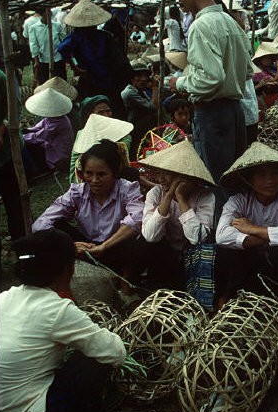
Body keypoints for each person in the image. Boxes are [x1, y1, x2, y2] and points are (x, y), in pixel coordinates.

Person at [0, 229, 127, 412]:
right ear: (68, 268)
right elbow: (116, 352)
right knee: (91, 361)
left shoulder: (4, 297)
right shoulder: (57, 309)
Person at [169, 0, 250, 216]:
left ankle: (221, 241)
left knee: (215, 181)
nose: (180, 2)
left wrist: (180, 82)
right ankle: (236, 234)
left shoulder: (201, 25)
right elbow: (247, 70)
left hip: (213, 113)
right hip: (235, 110)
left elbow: (210, 78)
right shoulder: (230, 22)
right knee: (234, 178)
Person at [32, 139, 145, 300]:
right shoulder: (78, 192)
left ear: (114, 173)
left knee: (144, 238)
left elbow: (137, 218)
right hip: (86, 246)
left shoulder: (126, 189)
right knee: (54, 229)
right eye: (89, 173)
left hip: (116, 246)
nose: (94, 180)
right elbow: (40, 224)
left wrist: (105, 246)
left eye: (101, 174)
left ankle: (125, 285)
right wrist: (70, 245)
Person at [215, 142, 278, 317]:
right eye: (262, 175)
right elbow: (222, 236)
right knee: (226, 252)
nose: (270, 181)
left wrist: (252, 228)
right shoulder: (238, 202)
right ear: (249, 179)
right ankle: (223, 306)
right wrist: (267, 237)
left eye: (275, 174)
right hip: (253, 268)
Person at [139, 139, 216, 291]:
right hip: (165, 254)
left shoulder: (205, 196)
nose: (160, 179)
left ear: (185, 176)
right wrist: (167, 197)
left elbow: (197, 238)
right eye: (160, 173)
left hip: (192, 255)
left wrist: (180, 197)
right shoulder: (156, 193)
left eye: (168, 175)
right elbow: (150, 235)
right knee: (145, 243)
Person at [57, 0, 133, 118]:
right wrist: (75, 67)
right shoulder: (94, 36)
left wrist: (75, 67)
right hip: (97, 77)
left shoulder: (98, 36)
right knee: (105, 106)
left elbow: (62, 49)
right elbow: (62, 49)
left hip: (99, 77)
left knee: (96, 107)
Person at [68, 98, 132, 184]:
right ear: (90, 115)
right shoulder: (82, 134)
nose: (106, 115)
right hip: (88, 178)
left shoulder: (120, 130)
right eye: (101, 112)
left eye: (108, 111)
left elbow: (124, 146)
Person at [0, 69, 28, 241]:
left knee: (15, 204)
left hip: (7, 153)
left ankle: (23, 251)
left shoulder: (0, 77)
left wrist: (1, 129)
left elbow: (14, 109)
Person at [22, 87, 74, 178]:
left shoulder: (60, 122)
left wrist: (22, 137)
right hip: (52, 146)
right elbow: (38, 127)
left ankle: (37, 171)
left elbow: (40, 136)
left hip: (60, 155)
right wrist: (27, 130)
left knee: (31, 146)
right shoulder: (51, 118)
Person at [121, 60, 159, 155]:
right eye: (139, 76)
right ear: (132, 77)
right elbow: (153, 107)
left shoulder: (141, 91)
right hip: (135, 130)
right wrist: (155, 87)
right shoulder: (129, 93)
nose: (143, 79)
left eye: (145, 76)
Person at [28, 7, 67, 85]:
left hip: (57, 58)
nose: (50, 13)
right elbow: (33, 45)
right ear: (42, 14)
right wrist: (36, 60)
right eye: (47, 12)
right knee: (44, 82)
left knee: (61, 81)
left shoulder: (57, 25)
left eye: (50, 11)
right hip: (44, 59)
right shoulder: (34, 28)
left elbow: (63, 40)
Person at [252, 42, 278, 113]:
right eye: (266, 58)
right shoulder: (258, 71)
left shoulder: (266, 68)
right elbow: (276, 80)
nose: (269, 60)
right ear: (260, 59)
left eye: (269, 58)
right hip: (262, 100)